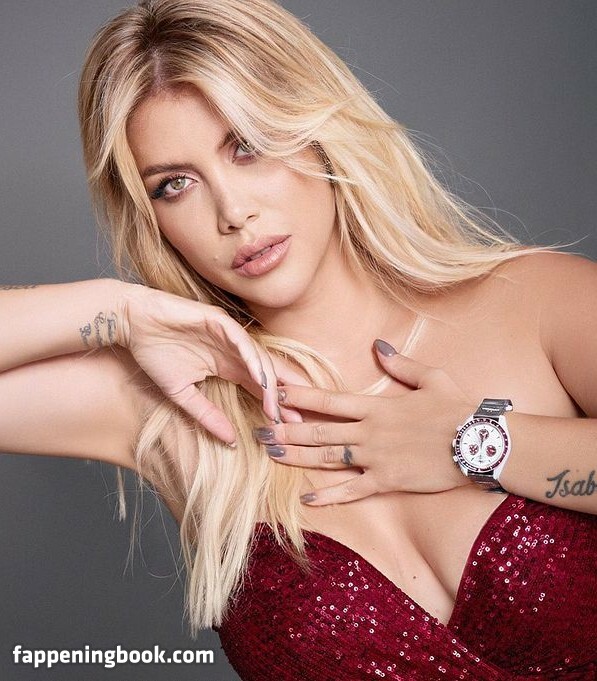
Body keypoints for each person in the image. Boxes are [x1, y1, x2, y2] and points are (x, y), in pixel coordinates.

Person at [1, 0, 596, 679]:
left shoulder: (538, 301)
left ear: (317, 129)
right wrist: (115, 307)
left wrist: (474, 443)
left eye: (248, 146)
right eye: (175, 185)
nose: (233, 212)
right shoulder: (174, 407)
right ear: (150, 218)